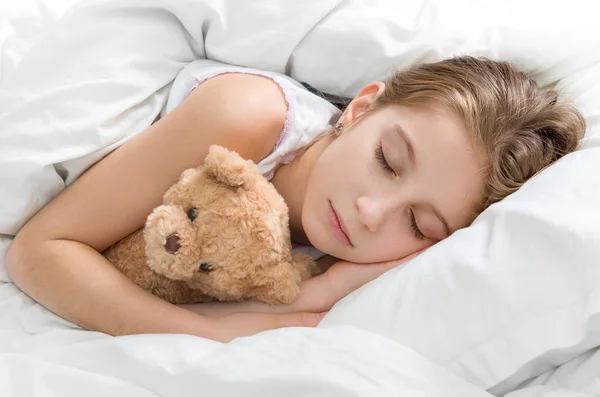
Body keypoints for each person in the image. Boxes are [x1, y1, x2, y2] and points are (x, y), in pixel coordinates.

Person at [5, 56, 585, 342]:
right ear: (360, 109)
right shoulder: (249, 120)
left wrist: (329, 289)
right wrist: (211, 337)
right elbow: (41, 249)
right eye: (387, 160)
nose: (371, 212)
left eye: (420, 222)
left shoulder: (381, 265)